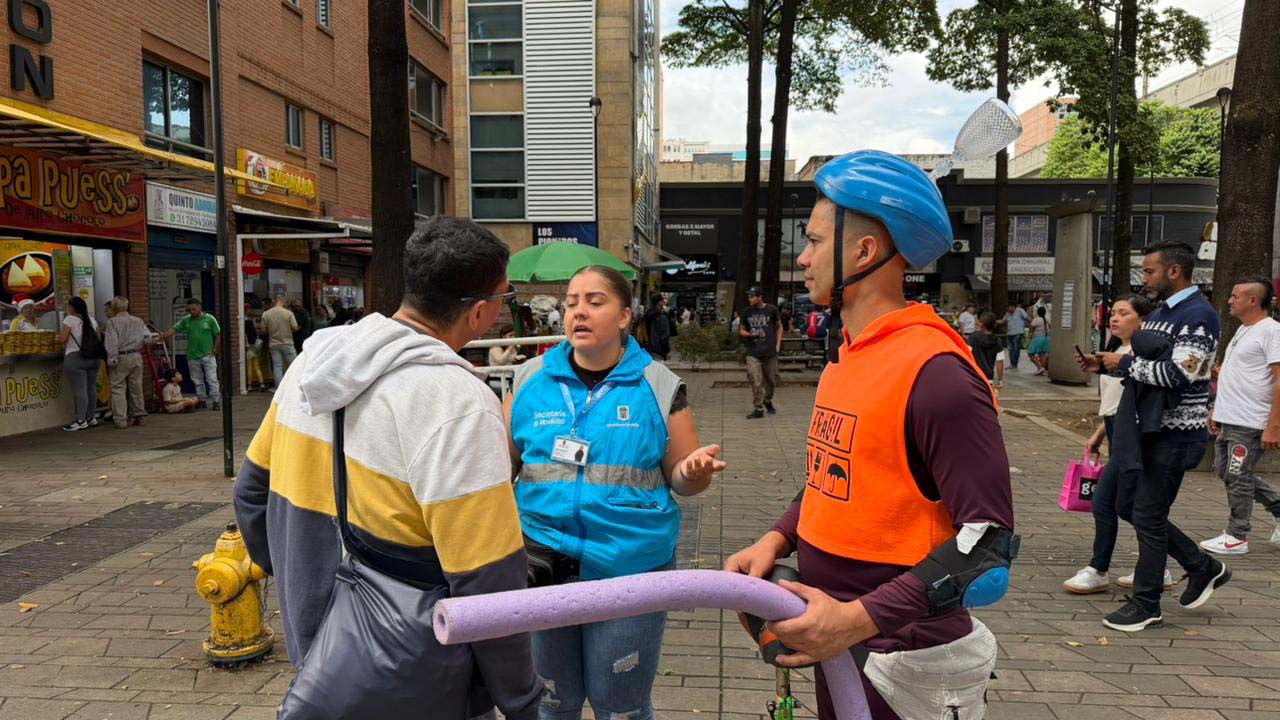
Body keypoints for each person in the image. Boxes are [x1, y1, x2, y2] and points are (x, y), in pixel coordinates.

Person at [724, 151, 1014, 720]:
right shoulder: (849, 358)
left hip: (907, 663)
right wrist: (776, 541)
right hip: (841, 643)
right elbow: (837, 477)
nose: (802, 258)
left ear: (863, 251)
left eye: (812, 241)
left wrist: (854, 621)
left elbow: (988, 543)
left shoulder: (938, 374)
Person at [233, 216, 544, 719]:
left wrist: (300, 581)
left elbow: (250, 493)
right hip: (417, 670)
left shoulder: (313, 365)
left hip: (324, 664)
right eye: (504, 298)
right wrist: (520, 699)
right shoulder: (458, 402)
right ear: (481, 311)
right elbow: (488, 580)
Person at [505, 264, 724, 720]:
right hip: (543, 564)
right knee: (550, 703)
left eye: (594, 301)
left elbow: (683, 480)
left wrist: (695, 471)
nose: (578, 312)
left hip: (631, 569)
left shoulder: (659, 385)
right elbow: (503, 468)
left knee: (620, 705)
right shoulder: (528, 379)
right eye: (571, 302)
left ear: (625, 316)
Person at [1082, 241, 1230, 632]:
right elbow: (1148, 367)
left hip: (1176, 435)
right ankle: (1203, 567)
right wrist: (1107, 365)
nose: (1143, 278)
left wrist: (1124, 361)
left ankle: (1147, 603)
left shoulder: (1200, 317)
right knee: (1130, 506)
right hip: (1148, 429)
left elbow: (1180, 374)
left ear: (1174, 272)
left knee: (1146, 513)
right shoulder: (1164, 313)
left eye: (1149, 271)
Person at [1063, 295, 1174, 594]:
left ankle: (1105, 569)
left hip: (1135, 438)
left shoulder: (1141, 354)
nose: (1114, 318)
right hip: (1117, 433)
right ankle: (1154, 567)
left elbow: (1138, 403)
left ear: (1143, 320)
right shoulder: (1115, 351)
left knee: (1119, 505)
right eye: (1113, 313)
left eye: (1124, 313)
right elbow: (1117, 404)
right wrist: (1100, 433)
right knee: (1121, 506)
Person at [1201, 277, 1280, 555]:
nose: (1230, 300)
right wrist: (1216, 409)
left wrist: (1273, 426)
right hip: (1230, 418)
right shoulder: (1243, 330)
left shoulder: (1271, 332)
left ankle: (1237, 535)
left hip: (1250, 421)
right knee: (1229, 472)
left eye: (1235, 296)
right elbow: (1234, 375)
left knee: (1238, 475)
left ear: (1253, 301)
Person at [156, 299, 222, 410]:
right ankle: (202, 400)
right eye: (189, 309)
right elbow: (174, 329)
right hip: (192, 355)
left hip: (207, 355)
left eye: (193, 309)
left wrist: (215, 350)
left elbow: (218, 334)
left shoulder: (210, 319)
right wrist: (163, 335)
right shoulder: (186, 320)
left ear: (199, 307)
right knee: (197, 380)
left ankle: (216, 401)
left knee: (212, 379)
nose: (191, 312)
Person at [57, 296, 102, 432]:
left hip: (76, 358)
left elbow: (62, 340)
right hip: (94, 359)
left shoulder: (69, 319)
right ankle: (91, 417)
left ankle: (80, 420)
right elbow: (98, 339)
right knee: (91, 388)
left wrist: (58, 337)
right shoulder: (92, 321)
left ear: (71, 307)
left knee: (80, 390)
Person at [103, 296, 149, 429]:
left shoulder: (112, 322)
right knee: (136, 386)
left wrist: (112, 358)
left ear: (114, 308)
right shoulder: (138, 321)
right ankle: (139, 416)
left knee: (118, 388)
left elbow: (111, 342)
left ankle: (120, 420)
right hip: (136, 355)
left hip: (121, 356)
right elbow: (147, 337)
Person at [740, 286, 782, 419]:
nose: (749, 299)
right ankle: (758, 408)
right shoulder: (747, 312)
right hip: (753, 352)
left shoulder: (771, 310)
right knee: (756, 380)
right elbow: (741, 329)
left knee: (771, 381)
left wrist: (778, 344)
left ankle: (767, 401)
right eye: (749, 296)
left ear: (760, 297)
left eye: (752, 296)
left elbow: (779, 326)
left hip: (770, 352)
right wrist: (749, 334)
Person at [261, 295, 300, 386]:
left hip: (274, 343)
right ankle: (293, 386)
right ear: (284, 301)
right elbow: (295, 328)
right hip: (287, 343)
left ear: (275, 301)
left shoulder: (266, 314)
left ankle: (279, 388)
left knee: (277, 367)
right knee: (293, 365)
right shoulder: (288, 313)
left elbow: (263, 330)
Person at [968, 312, 1001, 386]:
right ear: (995, 325)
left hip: (974, 374)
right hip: (988, 376)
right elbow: (999, 361)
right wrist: (1000, 379)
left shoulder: (973, 337)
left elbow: (967, 353)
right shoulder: (997, 341)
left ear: (981, 324)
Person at [641, 294, 672, 360]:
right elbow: (664, 336)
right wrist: (667, 350)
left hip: (646, 348)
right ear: (659, 302)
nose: (664, 302)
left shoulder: (646, 315)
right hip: (658, 350)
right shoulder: (662, 317)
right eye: (662, 300)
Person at [244, 311, 266, 392]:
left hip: (249, 350)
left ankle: (249, 386)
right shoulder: (254, 333)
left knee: (249, 368)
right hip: (255, 351)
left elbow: (246, 343)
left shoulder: (245, 334)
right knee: (256, 367)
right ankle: (262, 383)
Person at [1003, 301, 1028, 371]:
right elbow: (1003, 321)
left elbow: (1027, 318)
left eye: (1008, 307)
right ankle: (1012, 364)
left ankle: (1015, 364)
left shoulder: (1020, 311)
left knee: (1016, 349)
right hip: (1009, 333)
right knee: (1010, 350)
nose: (1008, 309)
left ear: (1013, 307)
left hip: (1018, 333)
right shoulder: (1007, 313)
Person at [1028, 306, 1051, 376]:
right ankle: (1042, 369)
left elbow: (1031, 328)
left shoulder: (1037, 319)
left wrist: (1030, 334)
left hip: (1038, 338)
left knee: (1030, 353)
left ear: (1038, 312)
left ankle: (1039, 367)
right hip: (1046, 338)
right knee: (1042, 354)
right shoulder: (1046, 319)